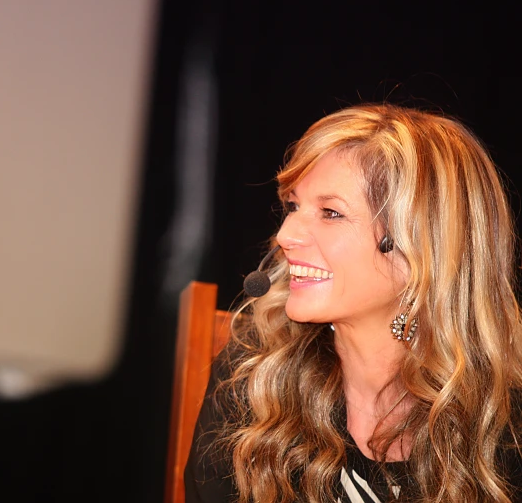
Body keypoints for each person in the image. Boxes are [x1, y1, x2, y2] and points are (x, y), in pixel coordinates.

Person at [184, 103, 522, 503]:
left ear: (423, 247)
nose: (286, 234)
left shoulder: (502, 417)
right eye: (293, 206)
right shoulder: (255, 378)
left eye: (330, 212)